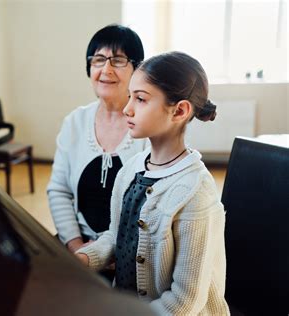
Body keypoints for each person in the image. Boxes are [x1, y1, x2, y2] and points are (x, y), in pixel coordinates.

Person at [76, 51, 230, 315]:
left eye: (141, 99)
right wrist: (83, 259)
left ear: (180, 110)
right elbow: (116, 236)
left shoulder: (195, 191)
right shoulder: (131, 170)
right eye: (130, 97)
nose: (127, 109)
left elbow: (185, 302)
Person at [47, 24, 148, 254]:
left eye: (119, 60)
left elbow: (153, 211)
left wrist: (108, 256)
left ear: (137, 69)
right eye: (99, 59)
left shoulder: (149, 127)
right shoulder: (75, 122)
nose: (106, 69)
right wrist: (76, 246)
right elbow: (59, 190)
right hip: (77, 247)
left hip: (132, 256)